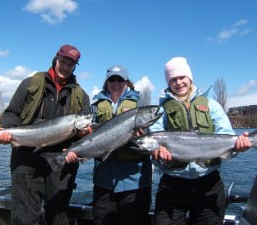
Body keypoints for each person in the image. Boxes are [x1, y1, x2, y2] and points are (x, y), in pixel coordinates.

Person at [0, 44, 91, 225]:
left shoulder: (81, 96)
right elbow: (12, 113)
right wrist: (6, 129)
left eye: (71, 65)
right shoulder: (30, 84)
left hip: (61, 162)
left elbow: (83, 136)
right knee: (24, 217)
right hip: (26, 158)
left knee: (58, 216)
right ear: (56, 59)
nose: (65, 67)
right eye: (63, 62)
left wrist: (83, 135)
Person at [150, 57, 252, 225]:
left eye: (182, 77)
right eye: (173, 79)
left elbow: (227, 136)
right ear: (168, 83)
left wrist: (237, 148)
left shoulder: (211, 105)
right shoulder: (160, 110)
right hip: (172, 186)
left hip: (209, 185)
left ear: (190, 78)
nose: (179, 82)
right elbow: (154, 148)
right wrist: (159, 158)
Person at [66, 65, 152, 225]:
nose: (116, 82)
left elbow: (152, 136)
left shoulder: (140, 104)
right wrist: (76, 149)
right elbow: (87, 136)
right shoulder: (96, 105)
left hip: (134, 181)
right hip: (103, 181)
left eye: (120, 79)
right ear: (106, 82)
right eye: (112, 79)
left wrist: (144, 134)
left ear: (127, 82)